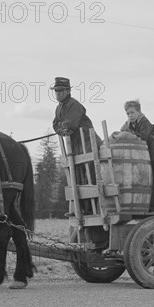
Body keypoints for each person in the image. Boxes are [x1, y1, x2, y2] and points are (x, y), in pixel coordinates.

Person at [51, 77, 102, 213]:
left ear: (68, 91)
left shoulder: (74, 105)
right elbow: (55, 124)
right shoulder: (59, 108)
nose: (58, 93)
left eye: (61, 90)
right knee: (77, 177)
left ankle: (92, 209)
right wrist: (62, 128)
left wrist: (62, 127)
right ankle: (80, 208)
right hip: (76, 148)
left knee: (89, 177)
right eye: (56, 91)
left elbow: (71, 124)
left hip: (88, 145)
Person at [120, 100, 154, 212]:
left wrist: (128, 133)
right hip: (145, 157)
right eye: (128, 113)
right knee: (150, 183)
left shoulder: (144, 122)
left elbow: (143, 137)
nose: (130, 115)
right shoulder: (130, 124)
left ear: (138, 112)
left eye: (132, 112)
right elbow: (123, 130)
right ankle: (152, 208)